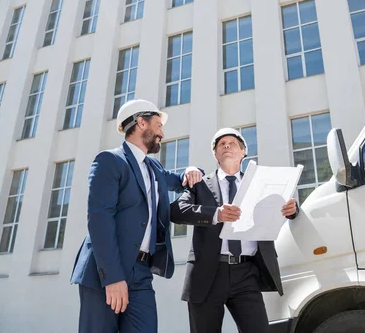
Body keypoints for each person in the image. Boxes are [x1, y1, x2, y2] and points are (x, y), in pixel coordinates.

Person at [70, 99, 203, 333]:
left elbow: (182, 180)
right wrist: (112, 278)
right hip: (105, 269)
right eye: (158, 125)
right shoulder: (109, 161)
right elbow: (99, 221)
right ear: (142, 123)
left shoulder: (155, 169)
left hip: (141, 272)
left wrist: (194, 170)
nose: (162, 132)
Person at [170, 128, 299, 333]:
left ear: (243, 152)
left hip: (246, 273)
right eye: (222, 144)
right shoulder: (200, 184)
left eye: (233, 143)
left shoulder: (260, 184)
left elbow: (281, 206)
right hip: (208, 273)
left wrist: (292, 210)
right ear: (215, 154)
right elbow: (177, 211)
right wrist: (216, 214)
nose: (227, 146)